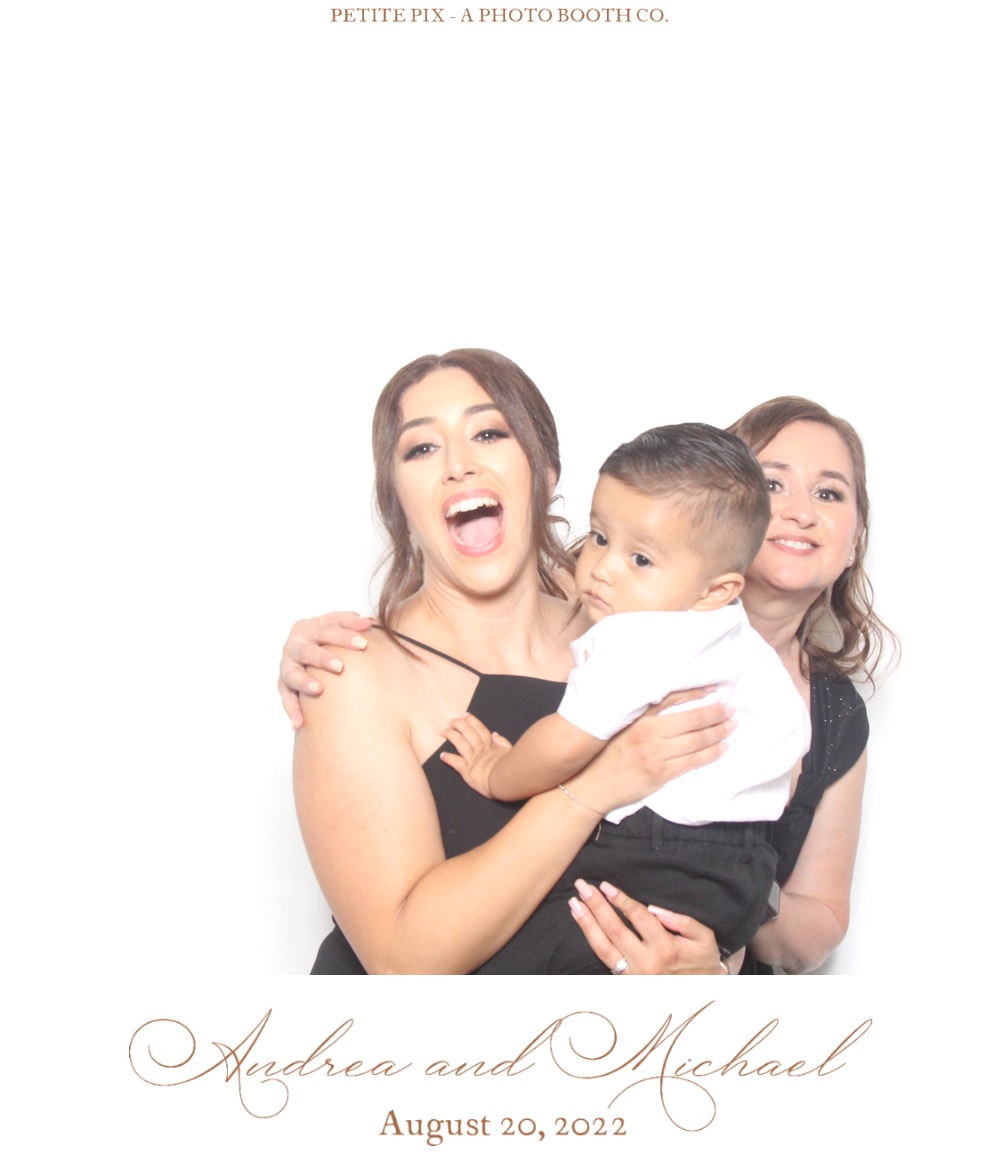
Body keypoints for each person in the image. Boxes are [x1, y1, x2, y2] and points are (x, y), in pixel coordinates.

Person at [283, 375, 894, 975]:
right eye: (421, 447)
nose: (458, 466)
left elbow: (718, 869)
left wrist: (713, 969)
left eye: (489, 433)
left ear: (546, 471)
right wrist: (597, 784)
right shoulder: (350, 668)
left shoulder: (640, 634)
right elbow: (401, 960)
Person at [439, 422, 812, 961]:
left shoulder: (635, 639)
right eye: (599, 537)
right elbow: (789, 757)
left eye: (641, 560)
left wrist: (496, 772)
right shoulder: (740, 640)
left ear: (716, 590)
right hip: (745, 875)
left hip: (655, 853)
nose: (603, 569)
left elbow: (564, 745)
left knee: (512, 947)